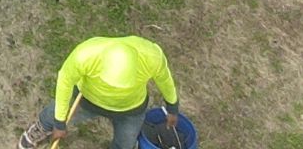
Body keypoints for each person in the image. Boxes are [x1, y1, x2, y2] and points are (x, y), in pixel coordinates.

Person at [24, 33, 184, 148]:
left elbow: (165, 80)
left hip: (130, 110)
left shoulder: (152, 56)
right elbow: (65, 82)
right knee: (51, 115)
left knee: (125, 144)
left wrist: (172, 107)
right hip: (86, 100)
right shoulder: (85, 55)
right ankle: (41, 128)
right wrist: (59, 123)